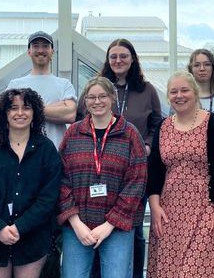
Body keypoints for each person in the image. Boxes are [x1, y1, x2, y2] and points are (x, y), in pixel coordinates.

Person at [76, 38, 162, 278]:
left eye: (123, 56)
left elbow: (157, 124)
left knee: (132, 229)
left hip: (134, 173)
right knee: (95, 225)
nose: (118, 60)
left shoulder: (147, 90)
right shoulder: (95, 89)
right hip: (98, 170)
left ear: (133, 59)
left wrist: (147, 145)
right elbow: (79, 120)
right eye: (113, 56)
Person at [147, 71, 214, 277]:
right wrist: (154, 206)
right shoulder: (163, 127)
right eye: (174, 91)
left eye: (185, 90)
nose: (179, 95)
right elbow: (155, 169)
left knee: (198, 270)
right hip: (170, 214)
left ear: (195, 93)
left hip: (207, 210)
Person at [0, 88, 61, 278]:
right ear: (4, 114)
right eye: (13, 108)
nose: (20, 113)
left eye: (26, 108)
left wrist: (20, 226)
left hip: (32, 238)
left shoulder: (46, 149)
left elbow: (48, 196)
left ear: (35, 113)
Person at [58, 77, 147, 278]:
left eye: (102, 96)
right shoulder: (73, 133)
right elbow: (61, 179)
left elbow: (137, 182)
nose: (97, 102)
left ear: (112, 98)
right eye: (91, 97)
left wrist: (109, 225)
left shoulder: (130, 134)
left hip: (117, 227)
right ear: (85, 101)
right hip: (77, 226)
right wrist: (75, 222)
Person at [7, 30, 77, 149]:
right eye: (36, 46)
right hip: (22, 153)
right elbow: (8, 116)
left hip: (56, 152)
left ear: (52, 51)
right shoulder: (15, 85)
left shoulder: (64, 84)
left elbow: (70, 115)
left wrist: (27, 109)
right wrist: (56, 109)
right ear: (29, 51)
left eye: (45, 46)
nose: (40, 50)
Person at [187, 48, 214, 124]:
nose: (202, 69)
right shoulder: (182, 98)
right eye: (197, 65)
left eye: (207, 64)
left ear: (213, 68)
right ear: (191, 69)